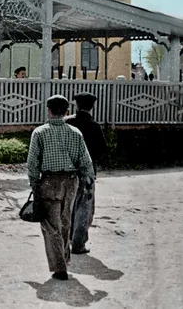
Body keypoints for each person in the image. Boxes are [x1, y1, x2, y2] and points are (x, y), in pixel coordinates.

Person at [27, 95, 94, 281]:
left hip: (49, 181)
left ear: (48, 110)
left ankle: (60, 267)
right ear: (66, 112)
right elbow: (85, 161)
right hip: (71, 181)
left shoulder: (39, 133)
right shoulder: (75, 133)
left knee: (50, 225)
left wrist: (34, 183)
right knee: (65, 222)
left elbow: (32, 163)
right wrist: (87, 180)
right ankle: (64, 260)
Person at [65, 92, 107, 255]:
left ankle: (67, 239)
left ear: (76, 105)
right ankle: (78, 243)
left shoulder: (67, 123)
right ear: (92, 107)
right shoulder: (94, 126)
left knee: (68, 205)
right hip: (86, 172)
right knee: (84, 208)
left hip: (67, 170)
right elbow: (102, 151)